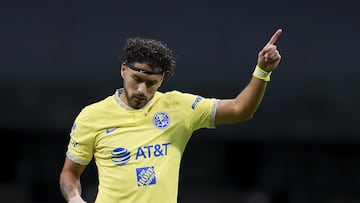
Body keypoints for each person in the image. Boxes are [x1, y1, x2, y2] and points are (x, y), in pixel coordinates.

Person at [59, 28, 283, 203]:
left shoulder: (178, 107)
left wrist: (262, 71)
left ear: (162, 80)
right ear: (123, 70)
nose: (141, 90)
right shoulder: (92, 116)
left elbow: (239, 110)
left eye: (151, 84)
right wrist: (75, 198)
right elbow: (70, 173)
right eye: (136, 79)